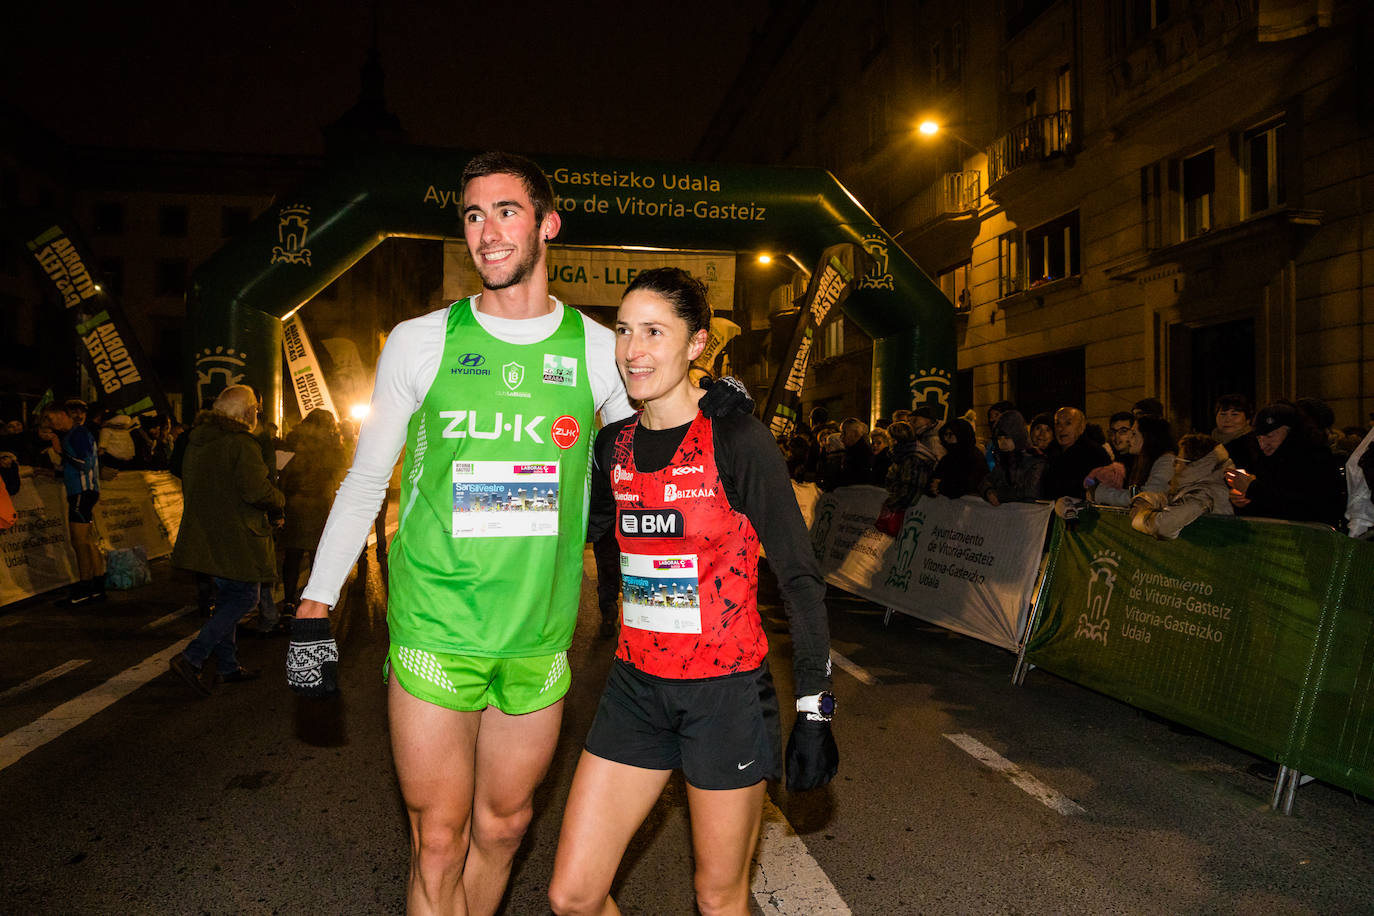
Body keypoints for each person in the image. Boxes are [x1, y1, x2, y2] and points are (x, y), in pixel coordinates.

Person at [284, 152, 750, 916]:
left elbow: (654, 461)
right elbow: (367, 480)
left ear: (546, 225)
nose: (487, 231)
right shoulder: (419, 341)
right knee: (439, 838)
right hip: (436, 625)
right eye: (472, 215)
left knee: (504, 828)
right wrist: (315, 600)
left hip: (538, 637)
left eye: (505, 211)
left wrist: (713, 403)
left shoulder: (601, 351)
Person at [548, 267, 835, 916]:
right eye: (624, 331)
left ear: (695, 344)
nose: (633, 349)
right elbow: (564, 544)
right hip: (634, 689)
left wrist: (817, 710)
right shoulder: (612, 446)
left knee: (718, 896)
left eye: (655, 331)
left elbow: (800, 578)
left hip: (724, 696)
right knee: (573, 895)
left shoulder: (735, 437)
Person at [168, 385, 283, 693]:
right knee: (246, 598)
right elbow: (256, 491)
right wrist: (279, 499)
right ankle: (192, 657)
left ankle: (227, 666)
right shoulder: (241, 444)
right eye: (256, 410)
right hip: (237, 535)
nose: (257, 415)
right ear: (247, 413)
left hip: (206, 533)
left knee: (227, 600)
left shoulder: (197, 440)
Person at [1225, 402, 1345, 526]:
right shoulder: (1264, 459)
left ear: (1290, 431)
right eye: (1259, 438)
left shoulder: (1316, 459)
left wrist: (1253, 489)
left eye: (1269, 436)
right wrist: (1242, 501)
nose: (1263, 444)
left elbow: (1308, 507)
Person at [278, 408, 347, 612]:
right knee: (318, 557)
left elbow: (283, 474)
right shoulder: (333, 447)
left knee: (292, 557)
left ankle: (289, 602)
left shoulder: (292, 442)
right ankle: (313, 603)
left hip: (294, 505)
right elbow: (340, 475)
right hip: (320, 506)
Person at [39, 401, 105, 605]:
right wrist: (54, 472)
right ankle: (97, 584)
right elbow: (76, 465)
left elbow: (83, 464)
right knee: (87, 540)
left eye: (50, 419)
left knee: (79, 541)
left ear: (61, 414)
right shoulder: (74, 434)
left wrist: (61, 452)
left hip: (82, 492)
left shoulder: (78, 434)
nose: (49, 425)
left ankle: (85, 586)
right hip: (83, 491)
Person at [1130, 433, 1235, 539]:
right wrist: (1146, 500)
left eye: (1177, 461)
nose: (1174, 466)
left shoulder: (1205, 493)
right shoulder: (1196, 486)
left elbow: (1165, 526)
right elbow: (1171, 499)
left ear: (1193, 465)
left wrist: (1142, 515)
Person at [1090, 416, 1175, 507]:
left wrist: (1104, 493)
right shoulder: (1141, 460)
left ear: (1147, 437)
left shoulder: (1166, 461)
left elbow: (1147, 497)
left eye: (1134, 434)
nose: (1129, 439)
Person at [1040, 407, 1111, 500]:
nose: (1061, 428)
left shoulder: (1094, 453)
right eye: (1057, 423)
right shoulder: (1050, 452)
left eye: (1068, 423)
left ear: (1081, 427)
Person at [929, 417, 998, 504]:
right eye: (944, 435)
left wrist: (941, 486)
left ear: (961, 435)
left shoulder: (973, 457)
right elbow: (935, 477)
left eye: (950, 435)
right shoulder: (948, 458)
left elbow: (968, 484)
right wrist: (933, 486)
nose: (946, 439)